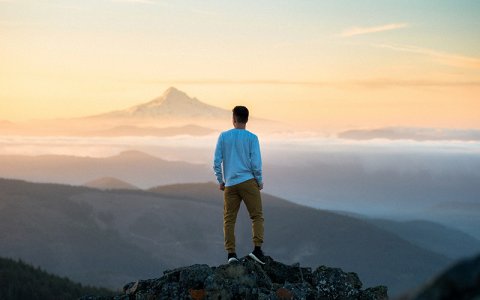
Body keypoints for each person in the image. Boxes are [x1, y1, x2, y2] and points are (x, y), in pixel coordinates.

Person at [213, 106, 265, 264]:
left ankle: (231, 255)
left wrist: (221, 180)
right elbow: (256, 163)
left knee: (229, 220)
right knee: (256, 216)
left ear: (233, 119)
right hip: (248, 181)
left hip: (230, 184)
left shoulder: (223, 136)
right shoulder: (252, 138)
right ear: (247, 119)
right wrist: (259, 181)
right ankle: (257, 250)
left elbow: (216, 162)